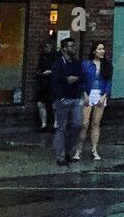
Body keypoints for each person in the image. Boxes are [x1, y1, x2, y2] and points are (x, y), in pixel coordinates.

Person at [49, 37, 85, 166]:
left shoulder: (76, 63)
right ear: (64, 48)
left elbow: (81, 77)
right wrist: (61, 96)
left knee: (77, 125)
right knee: (61, 128)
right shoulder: (58, 64)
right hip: (62, 100)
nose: (73, 48)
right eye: (71, 46)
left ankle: (68, 151)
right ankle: (60, 156)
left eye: (74, 46)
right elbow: (55, 82)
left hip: (75, 98)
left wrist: (75, 79)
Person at [76, 40, 113, 162]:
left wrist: (104, 95)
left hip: (100, 94)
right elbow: (81, 80)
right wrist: (84, 93)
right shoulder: (86, 65)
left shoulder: (107, 66)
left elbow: (108, 81)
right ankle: (78, 149)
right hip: (88, 93)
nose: (102, 51)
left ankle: (94, 149)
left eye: (103, 49)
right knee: (84, 123)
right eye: (99, 49)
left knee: (96, 123)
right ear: (94, 51)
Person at [34, 37, 56, 132]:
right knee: (40, 103)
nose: (46, 49)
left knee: (54, 104)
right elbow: (38, 68)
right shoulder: (42, 57)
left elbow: (59, 69)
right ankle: (44, 124)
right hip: (43, 83)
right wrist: (39, 73)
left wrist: (50, 71)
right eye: (45, 47)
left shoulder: (56, 57)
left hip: (52, 83)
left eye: (47, 47)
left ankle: (56, 123)